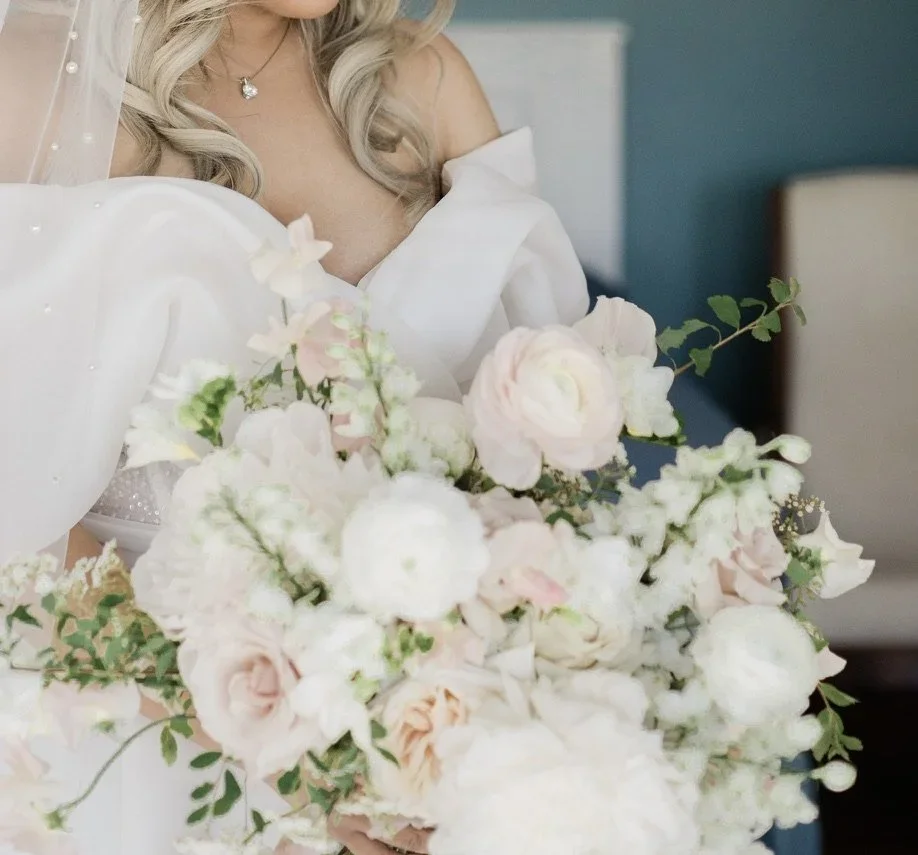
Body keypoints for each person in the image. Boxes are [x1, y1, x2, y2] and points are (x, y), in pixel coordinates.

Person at [0, 1, 588, 853]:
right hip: (140, 752)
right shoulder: (33, 82)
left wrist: (423, 734)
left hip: (419, 757)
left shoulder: (423, 82)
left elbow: (531, 460)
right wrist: (278, 732)